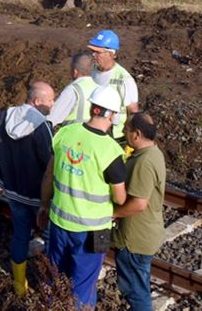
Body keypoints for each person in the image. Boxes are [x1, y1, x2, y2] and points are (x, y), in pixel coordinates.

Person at [38, 85, 128, 309]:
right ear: (112, 114)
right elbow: (120, 199)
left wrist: (43, 206)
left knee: (54, 275)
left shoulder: (65, 133)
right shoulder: (111, 151)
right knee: (82, 286)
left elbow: (49, 175)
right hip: (91, 232)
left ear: (93, 108)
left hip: (59, 222)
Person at [0, 81, 55, 297]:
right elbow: (50, 162)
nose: (53, 104)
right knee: (50, 237)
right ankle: (50, 285)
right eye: (50, 100)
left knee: (20, 234)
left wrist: (2, 155)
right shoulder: (41, 125)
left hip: (12, 189)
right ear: (37, 101)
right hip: (37, 194)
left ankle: (19, 285)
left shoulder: (6, 115)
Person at [112, 113, 166, 311]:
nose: (125, 133)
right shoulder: (154, 152)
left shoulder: (144, 162)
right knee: (139, 285)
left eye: (127, 129)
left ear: (137, 134)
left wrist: (113, 213)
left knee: (135, 292)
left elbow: (139, 204)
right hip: (146, 234)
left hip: (134, 239)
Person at [88, 29, 139, 142]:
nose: (93, 55)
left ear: (111, 54)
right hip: (93, 129)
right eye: (92, 51)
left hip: (115, 136)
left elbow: (133, 111)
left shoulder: (124, 79)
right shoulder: (91, 72)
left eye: (98, 52)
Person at [48, 52, 99, 128]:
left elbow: (52, 118)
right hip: (94, 137)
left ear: (75, 71)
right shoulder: (99, 89)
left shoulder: (72, 90)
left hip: (74, 136)